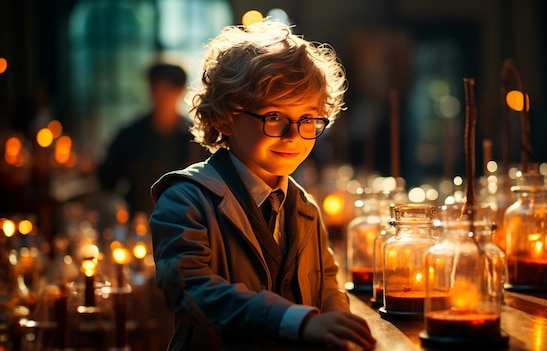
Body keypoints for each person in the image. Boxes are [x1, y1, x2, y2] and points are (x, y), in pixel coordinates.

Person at [149, 18, 377, 350]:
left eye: (308, 119)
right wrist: (300, 323)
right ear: (225, 117)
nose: (293, 135)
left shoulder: (305, 209)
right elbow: (190, 289)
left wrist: (335, 327)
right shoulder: (185, 201)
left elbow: (327, 285)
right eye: (274, 117)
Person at [97, 62, 209, 218]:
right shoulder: (131, 135)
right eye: (157, 88)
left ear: (180, 91)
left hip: (184, 221)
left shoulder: (196, 137)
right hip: (139, 224)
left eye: (168, 89)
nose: (161, 95)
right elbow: (108, 179)